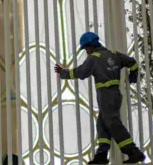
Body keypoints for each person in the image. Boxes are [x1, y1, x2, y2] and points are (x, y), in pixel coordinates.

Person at [54, 32, 145, 164]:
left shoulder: (94, 58)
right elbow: (132, 62)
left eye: (85, 48)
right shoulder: (114, 54)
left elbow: (81, 72)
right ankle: (101, 155)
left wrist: (63, 72)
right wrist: (133, 74)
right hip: (115, 95)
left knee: (113, 124)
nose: (86, 51)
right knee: (102, 124)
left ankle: (133, 151)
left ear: (90, 46)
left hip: (106, 96)